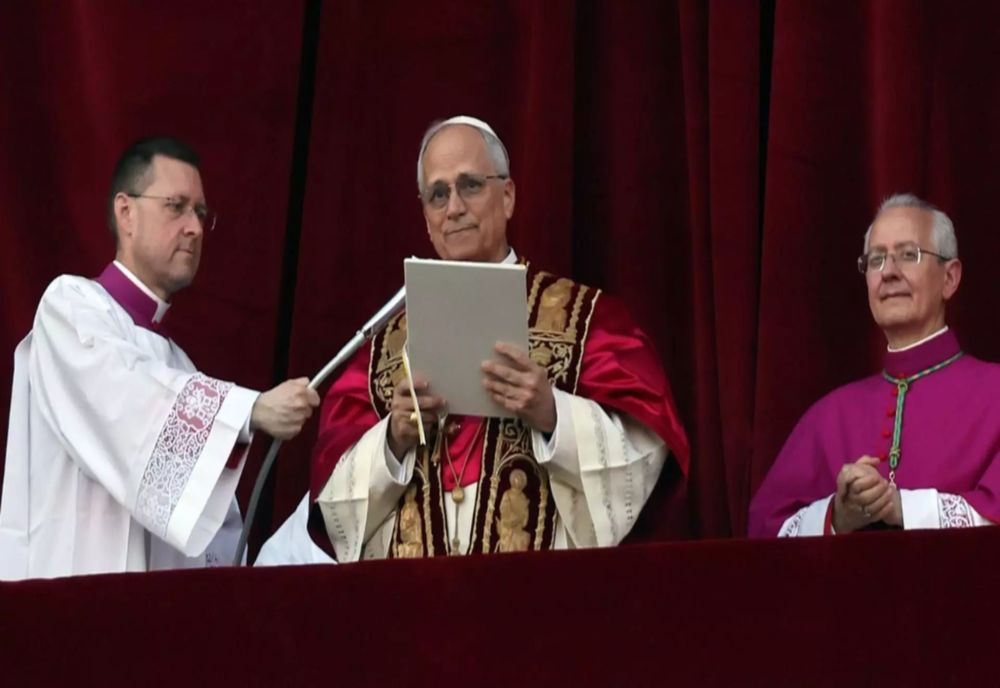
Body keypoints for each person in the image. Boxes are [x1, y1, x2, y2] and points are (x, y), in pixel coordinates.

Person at [258, 115, 689, 564]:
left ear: (507, 197)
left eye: (470, 185)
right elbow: (331, 504)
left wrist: (552, 413)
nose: (454, 208)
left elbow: (646, 457)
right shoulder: (381, 349)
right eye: (438, 194)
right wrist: (394, 439)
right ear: (425, 218)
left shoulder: (585, 320)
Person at [0, 137, 319, 579]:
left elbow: (214, 533)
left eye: (201, 213)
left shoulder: (178, 366)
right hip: (70, 598)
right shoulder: (70, 307)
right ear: (126, 213)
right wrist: (250, 409)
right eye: (176, 206)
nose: (194, 227)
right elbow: (125, 397)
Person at [749, 193, 1000, 537]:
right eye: (876, 259)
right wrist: (837, 516)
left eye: (908, 255)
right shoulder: (829, 415)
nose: (889, 273)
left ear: (949, 278)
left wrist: (903, 508)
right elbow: (763, 531)